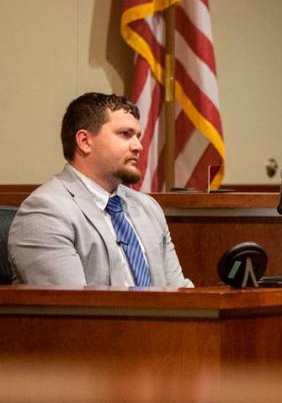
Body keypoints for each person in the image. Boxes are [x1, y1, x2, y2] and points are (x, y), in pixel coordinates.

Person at [7, 93, 192, 288]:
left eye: (138, 136)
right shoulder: (45, 212)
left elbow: (179, 291)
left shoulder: (148, 208)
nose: (138, 146)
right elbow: (72, 307)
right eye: (125, 134)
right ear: (85, 141)